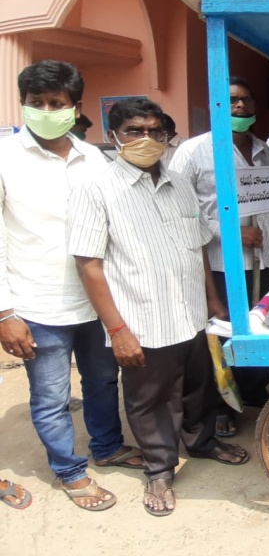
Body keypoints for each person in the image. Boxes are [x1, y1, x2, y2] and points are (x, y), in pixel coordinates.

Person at [69, 97, 249, 517]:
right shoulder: (96, 187)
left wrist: (211, 298)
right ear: (113, 136)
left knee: (199, 386)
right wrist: (117, 330)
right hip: (142, 318)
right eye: (135, 130)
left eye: (156, 131)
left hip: (191, 314)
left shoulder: (179, 182)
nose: (147, 139)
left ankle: (202, 442)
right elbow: (88, 264)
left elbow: (199, 245)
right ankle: (159, 469)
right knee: (150, 399)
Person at [0, 60, 142, 513]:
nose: (45, 110)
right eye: (35, 103)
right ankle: (69, 470)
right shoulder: (5, 159)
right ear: (23, 104)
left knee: (103, 380)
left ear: (74, 107)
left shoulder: (95, 159)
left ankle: (107, 445)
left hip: (95, 300)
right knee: (51, 395)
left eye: (55, 103)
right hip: (36, 303)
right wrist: (5, 313)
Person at [171, 78, 269, 435]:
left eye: (246, 100)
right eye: (232, 100)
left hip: (264, 258)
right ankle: (222, 404)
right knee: (222, 332)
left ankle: (253, 389)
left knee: (259, 327)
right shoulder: (194, 151)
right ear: (216, 105)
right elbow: (178, 208)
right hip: (221, 263)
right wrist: (230, 231)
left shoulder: (264, 150)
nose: (240, 107)